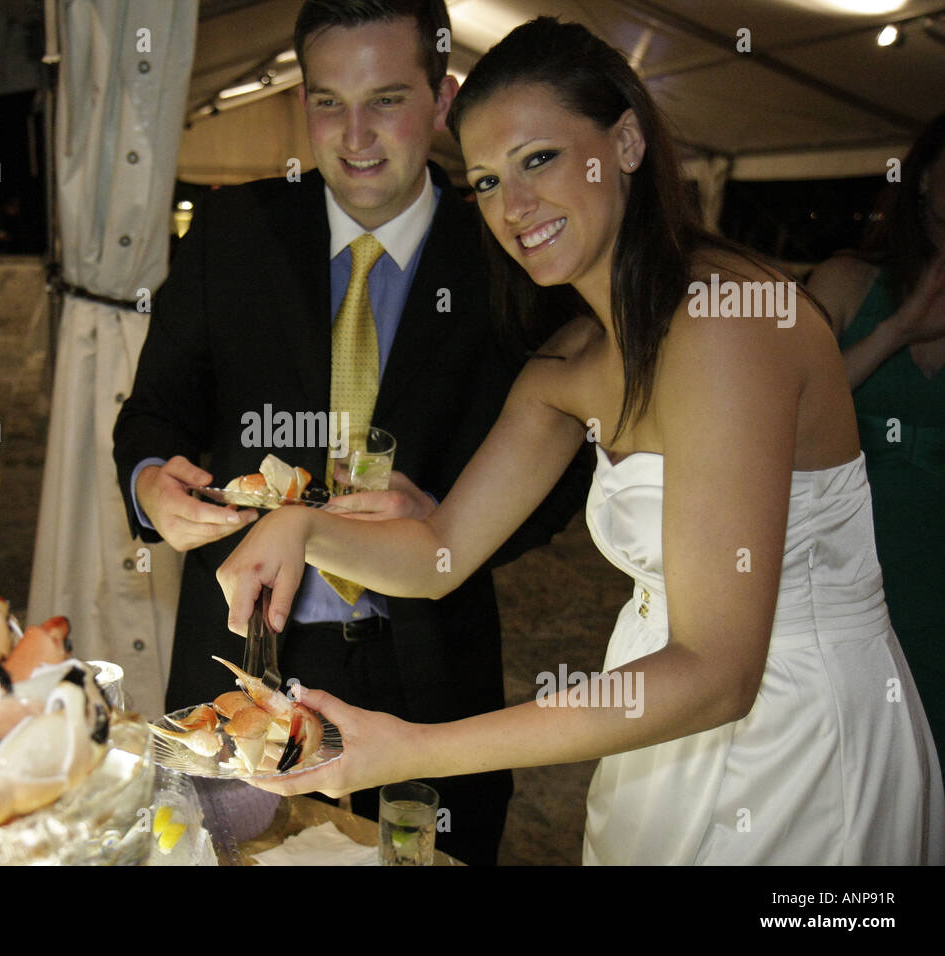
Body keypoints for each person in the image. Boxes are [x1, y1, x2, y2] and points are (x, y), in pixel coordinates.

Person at [217, 17, 945, 864]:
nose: (513, 208)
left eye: (538, 160)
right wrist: (300, 529)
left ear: (626, 142)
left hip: (797, 740)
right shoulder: (568, 363)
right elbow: (441, 553)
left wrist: (413, 747)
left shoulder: (728, 322)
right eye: (486, 182)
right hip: (648, 717)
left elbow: (719, 669)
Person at [113, 0, 587, 866]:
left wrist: (449, 518)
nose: (356, 135)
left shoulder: (514, 250)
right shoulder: (232, 231)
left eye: (387, 99)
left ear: (443, 98)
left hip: (432, 671)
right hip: (244, 660)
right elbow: (153, 413)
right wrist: (152, 485)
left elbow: (564, 474)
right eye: (329, 101)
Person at [806, 114, 945, 770]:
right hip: (846, 557)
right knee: (854, 758)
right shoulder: (846, 279)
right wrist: (895, 331)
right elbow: (780, 407)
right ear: (923, 181)